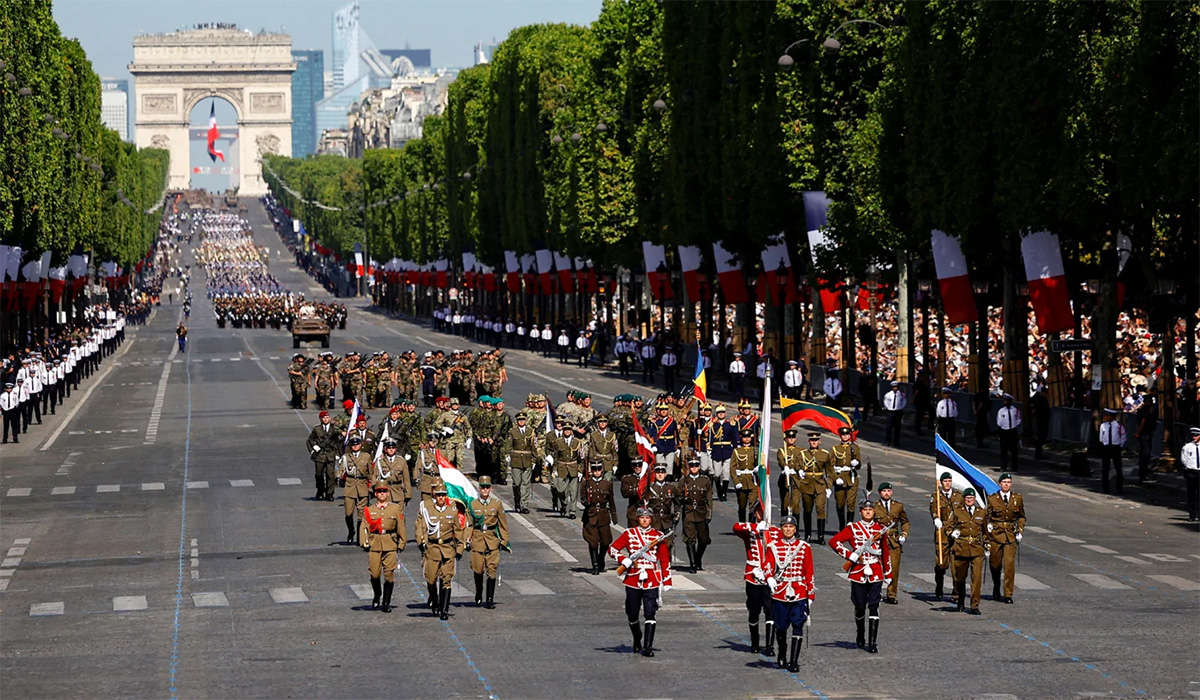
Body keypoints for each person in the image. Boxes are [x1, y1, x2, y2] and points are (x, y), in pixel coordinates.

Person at [829, 499, 893, 653]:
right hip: (858, 571)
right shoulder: (853, 528)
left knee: (874, 606)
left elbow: (885, 551)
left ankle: (872, 642)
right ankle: (860, 633)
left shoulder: (880, 529)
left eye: (871, 510)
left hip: (876, 571)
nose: (868, 512)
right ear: (861, 512)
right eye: (865, 510)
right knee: (859, 607)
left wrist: (888, 573)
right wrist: (850, 556)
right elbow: (834, 542)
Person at [609, 507, 673, 657]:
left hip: (651, 579)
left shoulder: (658, 536)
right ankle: (637, 637)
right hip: (633, 578)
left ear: (651, 519)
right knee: (632, 613)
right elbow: (612, 549)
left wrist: (667, 580)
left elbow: (664, 559)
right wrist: (623, 559)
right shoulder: (629, 534)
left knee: (650, 613)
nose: (645, 520)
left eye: (648, 518)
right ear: (638, 519)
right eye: (642, 517)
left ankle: (648, 647)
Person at [763, 515, 814, 670]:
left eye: (791, 527)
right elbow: (768, 565)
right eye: (785, 527)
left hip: (799, 591)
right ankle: (782, 654)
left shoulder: (804, 547)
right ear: (781, 529)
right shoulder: (773, 546)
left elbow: (809, 572)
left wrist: (810, 595)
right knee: (781, 626)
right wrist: (769, 578)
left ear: (795, 529)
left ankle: (794, 661)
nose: (788, 529)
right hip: (780, 591)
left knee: (798, 624)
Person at [417, 484, 469, 620]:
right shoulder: (428, 511)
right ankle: (434, 601)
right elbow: (422, 528)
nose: (441, 497)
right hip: (433, 549)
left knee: (446, 579)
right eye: (439, 494)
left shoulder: (452, 511)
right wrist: (421, 542)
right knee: (431, 579)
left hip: (447, 549)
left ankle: (444, 610)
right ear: (435, 495)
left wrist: (460, 548)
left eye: (443, 495)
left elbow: (458, 530)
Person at [732, 515, 775, 655]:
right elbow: (736, 527)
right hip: (753, 576)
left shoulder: (775, 531)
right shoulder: (751, 531)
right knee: (754, 611)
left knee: (770, 611)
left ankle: (769, 646)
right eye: (758, 512)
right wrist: (756, 526)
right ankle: (755, 643)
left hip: (770, 577)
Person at [360, 483, 406, 613]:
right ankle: (377, 594)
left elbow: (400, 526)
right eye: (379, 491)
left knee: (389, 573)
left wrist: (402, 542)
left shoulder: (395, 509)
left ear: (388, 493)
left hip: (390, 543)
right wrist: (364, 541)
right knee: (374, 574)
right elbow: (364, 526)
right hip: (375, 543)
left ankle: (386, 603)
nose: (381, 493)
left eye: (384, 491)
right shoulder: (369, 510)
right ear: (375, 494)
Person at [469, 476, 509, 609]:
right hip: (478, 540)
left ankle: (490, 599)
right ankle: (479, 592)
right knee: (478, 569)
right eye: (482, 487)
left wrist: (504, 540)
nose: (485, 490)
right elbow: (469, 525)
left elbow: (502, 524)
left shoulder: (496, 504)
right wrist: (466, 540)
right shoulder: (473, 505)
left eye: (487, 487)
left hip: (492, 540)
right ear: (479, 489)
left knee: (491, 569)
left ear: (490, 489)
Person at [946, 487, 988, 614]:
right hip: (961, 547)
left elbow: (986, 532)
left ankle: (975, 605)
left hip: (976, 549)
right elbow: (948, 526)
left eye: (971, 498)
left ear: (975, 499)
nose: (969, 500)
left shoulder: (981, 513)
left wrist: (987, 546)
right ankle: (960, 600)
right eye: (967, 498)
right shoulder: (957, 511)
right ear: (964, 499)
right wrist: (952, 533)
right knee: (960, 577)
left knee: (976, 578)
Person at [985, 473, 1025, 604]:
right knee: (995, 564)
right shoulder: (992, 499)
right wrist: (988, 527)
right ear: (1000, 484)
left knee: (1009, 565)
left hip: (1010, 535)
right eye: (1004, 482)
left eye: (1009, 482)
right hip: (996, 535)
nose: (1006, 484)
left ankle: (1008, 594)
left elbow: (1021, 516)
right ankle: (996, 586)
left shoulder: (1017, 498)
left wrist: (1020, 530)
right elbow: (987, 516)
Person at [928, 472, 963, 601]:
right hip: (942, 534)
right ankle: (939, 585)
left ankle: (956, 593)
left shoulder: (959, 496)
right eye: (945, 481)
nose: (947, 483)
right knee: (942, 564)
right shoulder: (936, 496)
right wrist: (936, 518)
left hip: (956, 534)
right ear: (941, 483)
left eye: (949, 481)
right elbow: (933, 510)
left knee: (957, 566)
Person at [580, 459, 618, 575]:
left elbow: (611, 500)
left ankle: (601, 558)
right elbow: (582, 497)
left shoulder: (607, 484)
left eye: (599, 469)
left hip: (603, 515)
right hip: (590, 514)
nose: (597, 472)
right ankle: (595, 565)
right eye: (594, 469)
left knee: (606, 541)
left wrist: (614, 515)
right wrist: (585, 502)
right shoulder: (586, 483)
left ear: (602, 470)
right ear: (591, 471)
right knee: (593, 542)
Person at [873, 483, 909, 605]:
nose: (887, 493)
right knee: (876, 568)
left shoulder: (898, 506)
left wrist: (904, 534)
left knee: (894, 569)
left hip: (894, 542)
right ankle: (874, 592)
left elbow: (905, 522)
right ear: (879, 493)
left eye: (889, 490)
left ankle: (892, 594)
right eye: (884, 491)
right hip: (878, 541)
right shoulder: (874, 507)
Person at [678, 456, 713, 572]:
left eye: (696, 466)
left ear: (699, 467)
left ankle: (698, 559)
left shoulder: (705, 480)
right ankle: (693, 564)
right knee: (690, 539)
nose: (694, 468)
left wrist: (709, 513)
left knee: (704, 539)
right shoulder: (683, 480)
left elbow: (709, 498)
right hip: (688, 512)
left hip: (701, 512)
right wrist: (682, 499)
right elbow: (677, 497)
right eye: (692, 466)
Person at [798, 432, 832, 544]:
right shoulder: (802, 454)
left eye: (816, 440)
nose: (814, 442)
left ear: (819, 441)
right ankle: (807, 534)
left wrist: (829, 487)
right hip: (806, 484)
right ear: (809, 441)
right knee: (807, 510)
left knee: (820, 509)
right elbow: (797, 465)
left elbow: (830, 472)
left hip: (820, 485)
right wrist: (799, 470)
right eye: (812, 440)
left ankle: (821, 536)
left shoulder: (825, 454)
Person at [337, 436, 373, 545]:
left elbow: (371, 474)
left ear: (361, 445)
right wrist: (338, 477)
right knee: (348, 513)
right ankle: (351, 531)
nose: (355, 446)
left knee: (361, 515)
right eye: (353, 445)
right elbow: (341, 470)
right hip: (350, 487)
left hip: (362, 487)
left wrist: (372, 488)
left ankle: (359, 535)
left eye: (357, 444)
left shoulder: (366, 457)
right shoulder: (346, 457)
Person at [503, 411, 537, 514]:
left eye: (523, 420)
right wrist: (507, 455)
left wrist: (534, 459)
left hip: (527, 459)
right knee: (517, 483)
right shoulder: (513, 432)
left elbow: (534, 446)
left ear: (526, 421)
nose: (521, 421)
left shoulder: (531, 432)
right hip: (516, 459)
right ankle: (517, 502)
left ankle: (524, 505)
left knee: (526, 483)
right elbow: (508, 445)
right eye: (519, 420)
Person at [828, 426, 862, 530]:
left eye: (847, 434)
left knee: (851, 503)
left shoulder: (854, 447)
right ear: (840, 436)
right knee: (840, 504)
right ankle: (841, 526)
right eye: (843, 435)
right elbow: (830, 466)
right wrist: (835, 478)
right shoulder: (835, 448)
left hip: (851, 478)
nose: (845, 436)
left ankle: (849, 526)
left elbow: (859, 465)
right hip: (840, 479)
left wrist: (856, 463)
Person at [306, 411, 342, 501]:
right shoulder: (317, 429)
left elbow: (338, 442)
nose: (326, 419)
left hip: (330, 455)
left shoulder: (334, 430)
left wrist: (339, 454)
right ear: (321, 419)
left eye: (327, 417)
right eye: (324, 418)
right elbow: (310, 440)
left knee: (331, 475)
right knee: (319, 475)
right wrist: (313, 448)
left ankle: (330, 493)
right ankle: (320, 491)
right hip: (320, 455)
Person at [730, 429, 760, 522]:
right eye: (744, 437)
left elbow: (762, 464)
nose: (746, 439)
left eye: (748, 437)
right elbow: (732, 468)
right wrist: (736, 481)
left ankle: (752, 524)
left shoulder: (756, 450)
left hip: (752, 480)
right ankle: (742, 524)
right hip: (741, 480)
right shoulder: (737, 451)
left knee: (753, 504)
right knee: (742, 505)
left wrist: (759, 468)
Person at [372, 439, 411, 506]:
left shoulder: (401, 461)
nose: (391, 449)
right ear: (385, 449)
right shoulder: (380, 462)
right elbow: (374, 477)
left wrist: (408, 494)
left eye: (393, 448)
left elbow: (406, 479)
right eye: (389, 448)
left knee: (399, 515)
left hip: (398, 492)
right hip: (385, 492)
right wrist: (375, 490)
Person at [1099, 408, 1126, 494]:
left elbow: (1123, 436)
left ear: (1112, 416)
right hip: (1106, 447)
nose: (1106, 417)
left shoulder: (1118, 425)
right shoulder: (1103, 425)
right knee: (1105, 468)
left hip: (1115, 447)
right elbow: (1101, 437)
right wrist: (1103, 443)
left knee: (1118, 468)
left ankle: (1119, 487)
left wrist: (1120, 445)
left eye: (1108, 415)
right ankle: (1105, 488)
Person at [777, 429, 803, 518]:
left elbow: (801, 462)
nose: (791, 439)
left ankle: (796, 526)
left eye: (793, 437)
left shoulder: (800, 451)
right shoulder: (782, 450)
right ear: (786, 439)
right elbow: (780, 460)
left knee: (796, 503)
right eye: (789, 438)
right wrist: (785, 466)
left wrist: (799, 469)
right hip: (785, 479)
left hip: (796, 479)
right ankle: (784, 522)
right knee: (785, 502)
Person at [1134, 390, 1158, 482]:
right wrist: (1138, 432)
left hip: (1147, 433)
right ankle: (1143, 474)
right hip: (1144, 434)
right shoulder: (1144, 411)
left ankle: (1144, 474)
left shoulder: (1146, 410)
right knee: (1145, 454)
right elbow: (1143, 422)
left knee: (1145, 455)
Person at [995, 394, 1022, 473]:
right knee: (1004, 450)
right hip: (1004, 431)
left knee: (1014, 450)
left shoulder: (1015, 410)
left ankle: (1015, 467)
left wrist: (1014, 426)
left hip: (1012, 431)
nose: (1005, 402)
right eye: (1004, 400)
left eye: (1007, 400)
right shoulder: (1001, 411)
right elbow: (999, 422)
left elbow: (1018, 419)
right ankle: (1003, 466)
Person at [1181, 427, 1200, 522]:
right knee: (1191, 494)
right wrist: (1189, 468)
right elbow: (1184, 459)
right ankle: (1192, 514)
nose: (1194, 437)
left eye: (1196, 435)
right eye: (1193, 435)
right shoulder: (1187, 447)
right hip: (1191, 472)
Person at [1030, 385, 1051, 460]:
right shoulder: (1039, 400)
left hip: (1043, 420)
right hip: (1041, 421)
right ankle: (1038, 454)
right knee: (1040, 438)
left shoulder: (1044, 399)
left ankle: (1039, 453)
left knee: (1042, 438)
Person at [883, 381, 906, 447]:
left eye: (896, 387)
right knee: (889, 427)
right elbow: (885, 402)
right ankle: (887, 441)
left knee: (897, 428)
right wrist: (888, 408)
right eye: (894, 387)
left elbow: (904, 401)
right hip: (890, 411)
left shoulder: (901, 394)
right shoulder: (888, 394)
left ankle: (896, 442)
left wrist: (900, 407)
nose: (895, 388)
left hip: (898, 411)